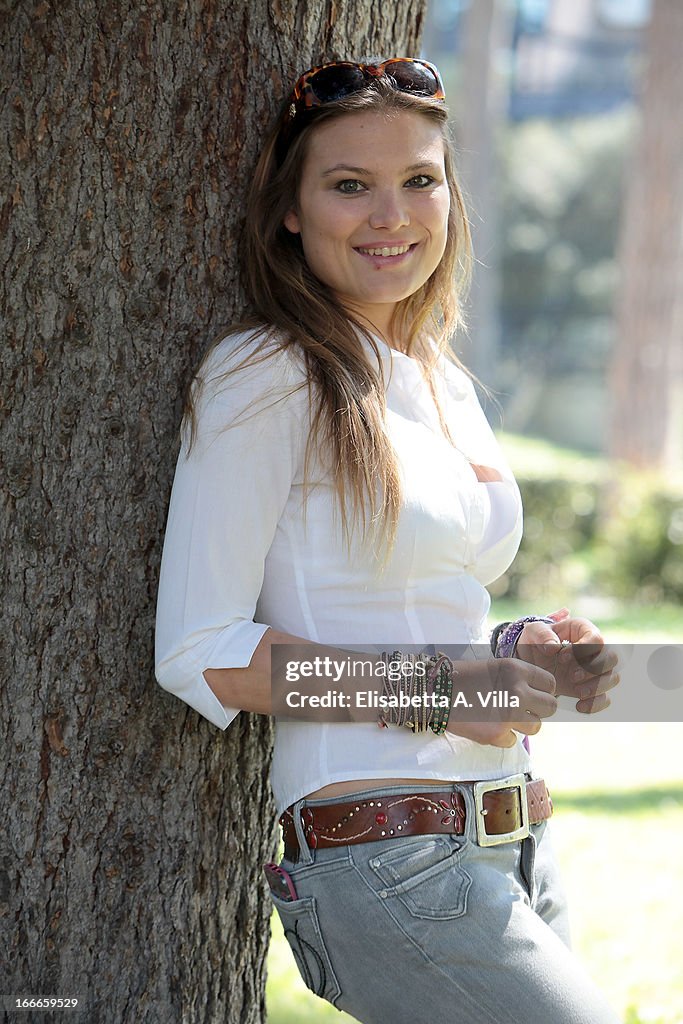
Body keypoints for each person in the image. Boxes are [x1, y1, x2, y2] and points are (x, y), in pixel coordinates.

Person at [155, 57, 621, 1023]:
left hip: (511, 837)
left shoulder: (436, 377)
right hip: (385, 860)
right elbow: (201, 651)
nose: (391, 214)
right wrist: (441, 691)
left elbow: (415, 598)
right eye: (349, 185)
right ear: (290, 209)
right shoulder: (265, 375)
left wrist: (514, 653)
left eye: (420, 179)